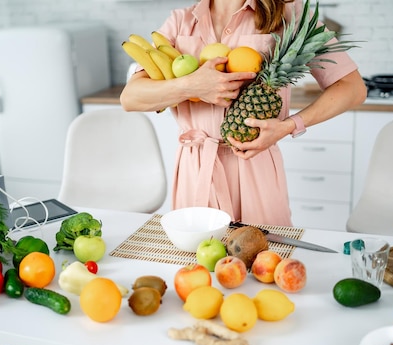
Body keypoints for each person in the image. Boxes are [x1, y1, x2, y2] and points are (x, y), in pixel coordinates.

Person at [120, 0, 366, 226]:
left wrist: (290, 125)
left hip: (256, 168)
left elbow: (353, 88)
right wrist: (192, 86)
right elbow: (130, 98)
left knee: (266, 262)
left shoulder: (288, 14)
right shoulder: (181, 21)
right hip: (195, 169)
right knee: (196, 267)